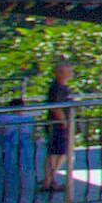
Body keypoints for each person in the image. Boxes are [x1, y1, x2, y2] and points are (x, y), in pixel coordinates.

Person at [39, 60, 74, 192]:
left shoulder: (59, 87)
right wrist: (64, 122)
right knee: (56, 153)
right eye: (68, 72)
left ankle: (50, 178)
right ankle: (48, 181)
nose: (70, 74)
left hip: (58, 125)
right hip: (58, 125)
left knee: (59, 153)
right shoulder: (58, 88)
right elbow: (56, 107)